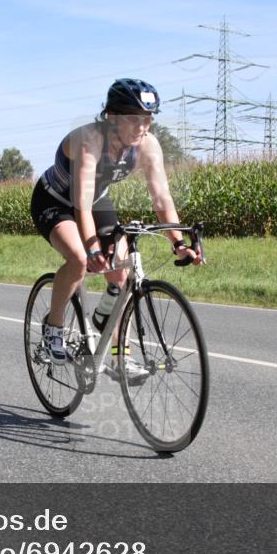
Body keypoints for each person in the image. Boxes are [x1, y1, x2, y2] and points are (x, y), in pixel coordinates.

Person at [30, 78, 202, 380]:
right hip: (55, 201)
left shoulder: (147, 146)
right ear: (111, 116)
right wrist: (93, 247)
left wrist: (177, 242)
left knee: (121, 274)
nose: (142, 127)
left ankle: (119, 353)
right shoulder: (89, 140)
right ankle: (53, 328)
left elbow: (161, 197)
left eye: (148, 119)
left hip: (96, 200)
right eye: (134, 119)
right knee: (80, 259)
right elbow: (80, 204)